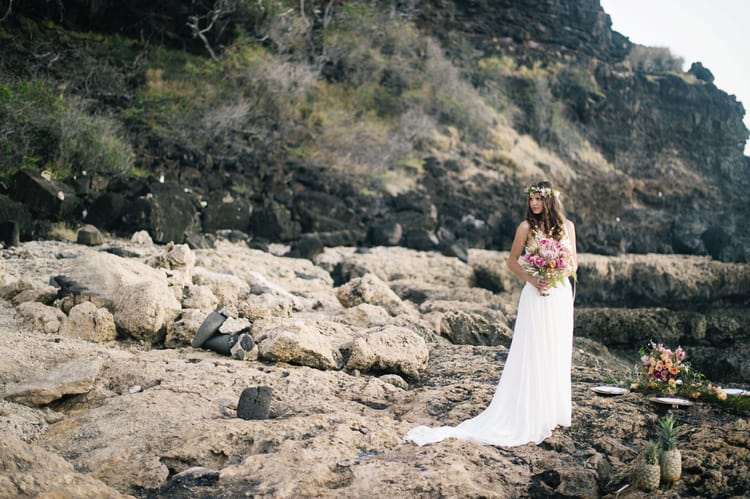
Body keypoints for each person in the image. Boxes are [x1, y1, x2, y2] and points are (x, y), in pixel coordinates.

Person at [404, 180, 577, 447]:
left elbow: (573, 263)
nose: (533, 204)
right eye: (531, 199)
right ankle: (531, 410)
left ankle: (552, 409)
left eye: (538, 199)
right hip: (535, 294)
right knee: (534, 348)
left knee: (556, 347)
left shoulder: (568, 227)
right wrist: (535, 279)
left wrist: (554, 274)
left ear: (550, 201)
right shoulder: (525, 227)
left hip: (560, 295)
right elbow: (512, 261)